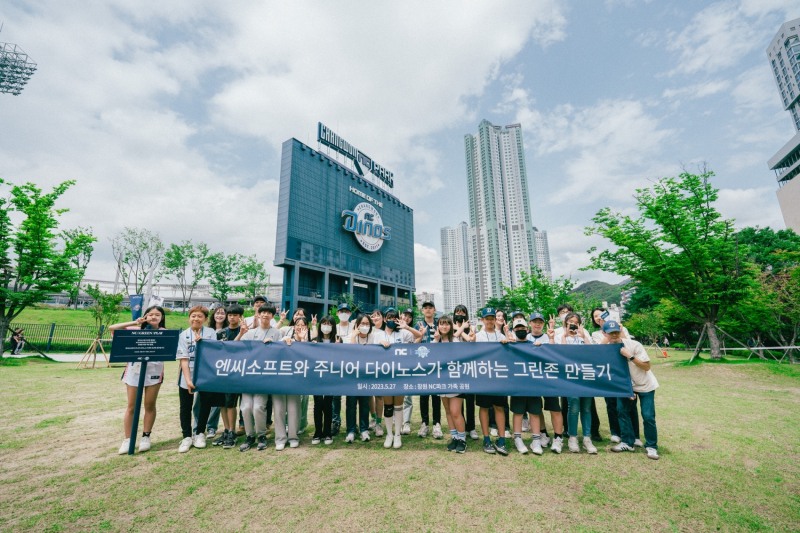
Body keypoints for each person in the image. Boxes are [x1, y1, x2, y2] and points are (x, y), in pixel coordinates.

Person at [109, 306, 167, 454]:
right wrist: (135, 323)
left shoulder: (164, 333)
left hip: (154, 372)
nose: (154, 317)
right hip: (134, 372)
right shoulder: (134, 330)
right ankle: (128, 439)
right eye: (151, 314)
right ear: (145, 315)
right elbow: (113, 328)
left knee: (149, 405)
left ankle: (146, 436)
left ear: (162, 318)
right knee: (131, 406)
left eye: (157, 315)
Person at [605, 320, 661, 460]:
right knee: (622, 412)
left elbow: (646, 367)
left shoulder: (634, 345)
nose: (614, 335)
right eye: (611, 333)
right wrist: (628, 389)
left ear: (620, 331)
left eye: (616, 332)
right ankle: (627, 442)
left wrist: (629, 356)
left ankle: (651, 447)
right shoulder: (606, 350)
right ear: (605, 334)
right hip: (625, 386)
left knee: (648, 416)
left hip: (645, 385)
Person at [237, 303, 282, 451]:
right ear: (258, 314)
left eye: (269, 313)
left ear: (272, 316)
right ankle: (250, 436)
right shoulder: (250, 333)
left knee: (258, 407)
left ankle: (261, 435)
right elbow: (236, 350)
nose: (265, 315)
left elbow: (282, 352)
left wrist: (273, 345)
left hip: (264, 377)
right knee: (245, 407)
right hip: (248, 377)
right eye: (263, 312)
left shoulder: (276, 333)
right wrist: (241, 333)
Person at [176, 306, 217, 453]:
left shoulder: (211, 333)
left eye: (200, 316)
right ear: (189, 318)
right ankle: (186, 436)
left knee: (205, 404)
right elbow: (184, 360)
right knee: (185, 406)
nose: (196, 319)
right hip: (187, 374)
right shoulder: (183, 335)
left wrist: (203, 344)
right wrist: (188, 380)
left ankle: (200, 433)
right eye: (193, 316)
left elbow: (214, 354)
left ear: (205, 319)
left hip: (206, 374)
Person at [345, 314, 389, 443]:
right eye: (362, 324)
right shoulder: (351, 337)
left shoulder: (373, 337)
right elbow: (350, 353)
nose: (364, 326)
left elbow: (380, 345)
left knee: (365, 403)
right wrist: (353, 336)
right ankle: (351, 430)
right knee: (351, 404)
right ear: (357, 325)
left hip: (366, 376)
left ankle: (364, 429)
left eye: (367, 324)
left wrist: (381, 343)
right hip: (352, 376)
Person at [526, 312, 564, 454]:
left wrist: (551, 339)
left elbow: (555, 354)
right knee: (536, 409)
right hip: (532, 379)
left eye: (540, 322)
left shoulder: (549, 337)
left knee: (554, 408)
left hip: (549, 378)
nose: (537, 324)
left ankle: (558, 437)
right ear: (530, 323)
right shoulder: (526, 337)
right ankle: (543, 434)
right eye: (534, 321)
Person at [475, 307, 510, 455]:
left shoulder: (500, 335)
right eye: (487, 318)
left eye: (491, 318)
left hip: (498, 377)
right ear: (482, 320)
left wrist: (508, 339)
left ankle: (501, 439)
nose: (489, 321)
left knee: (499, 407)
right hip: (483, 377)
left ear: (495, 320)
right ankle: (486, 438)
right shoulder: (477, 336)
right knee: (484, 408)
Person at [561, 312, 598, 455]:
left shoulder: (584, 334)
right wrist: (565, 336)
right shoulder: (561, 335)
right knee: (573, 406)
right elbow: (560, 354)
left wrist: (583, 336)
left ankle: (587, 438)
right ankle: (572, 437)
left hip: (586, 376)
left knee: (587, 408)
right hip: (571, 377)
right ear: (565, 323)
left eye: (576, 322)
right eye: (570, 322)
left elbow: (592, 353)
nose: (573, 325)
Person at [212, 304, 245, 449]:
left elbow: (235, 349)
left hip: (236, 373)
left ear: (240, 317)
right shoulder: (221, 333)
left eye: (235, 315)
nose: (232, 317)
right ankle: (226, 430)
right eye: (230, 315)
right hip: (221, 372)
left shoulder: (244, 331)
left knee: (231, 403)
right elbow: (221, 351)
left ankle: (232, 430)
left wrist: (241, 334)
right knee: (221, 403)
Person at [381, 308, 414, 449]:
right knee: (388, 405)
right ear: (384, 319)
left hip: (400, 374)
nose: (392, 320)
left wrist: (405, 326)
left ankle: (398, 435)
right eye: (389, 317)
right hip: (385, 375)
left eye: (394, 318)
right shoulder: (378, 334)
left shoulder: (403, 333)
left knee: (398, 405)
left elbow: (417, 338)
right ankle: (389, 434)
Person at [435, 316, 467, 453]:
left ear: (450, 326)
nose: (444, 327)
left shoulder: (456, 341)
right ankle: (454, 437)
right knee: (448, 411)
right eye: (441, 324)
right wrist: (435, 340)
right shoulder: (436, 342)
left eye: (447, 324)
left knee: (455, 412)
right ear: (438, 326)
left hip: (455, 381)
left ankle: (462, 439)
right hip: (441, 381)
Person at [276, 317, 309, 450]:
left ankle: (293, 437)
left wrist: (301, 340)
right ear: (293, 326)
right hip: (280, 378)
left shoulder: (307, 341)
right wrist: (284, 341)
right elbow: (274, 349)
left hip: (296, 380)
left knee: (294, 408)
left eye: (303, 325)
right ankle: (280, 438)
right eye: (297, 324)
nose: (300, 327)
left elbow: (308, 355)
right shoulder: (284, 337)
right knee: (279, 408)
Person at [414, 301, 443, 439]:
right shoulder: (418, 325)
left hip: (437, 365)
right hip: (423, 365)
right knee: (423, 395)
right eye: (425, 308)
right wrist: (420, 335)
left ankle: (437, 424)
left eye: (430, 307)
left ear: (434, 310)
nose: (428, 310)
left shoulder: (440, 324)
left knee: (436, 396)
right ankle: (424, 423)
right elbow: (414, 346)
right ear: (422, 311)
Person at [452, 305, 479, 440]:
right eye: (458, 312)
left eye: (463, 312)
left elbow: (471, 340)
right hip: (455, 368)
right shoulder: (450, 326)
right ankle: (460, 426)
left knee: (469, 399)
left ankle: (471, 428)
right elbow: (454, 336)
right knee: (458, 399)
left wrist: (461, 328)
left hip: (469, 367)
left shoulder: (472, 327)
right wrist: (458, 328)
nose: (460, 314)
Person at [311, 316, 339, 445]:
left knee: (328, 405)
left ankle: (327, 432)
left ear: (333, 326)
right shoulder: (314, 340)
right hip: (316, 377)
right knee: (317, 404)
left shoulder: (337, 340)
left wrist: (339, 347)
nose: (326, 326)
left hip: (331, 378)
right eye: (324, 323)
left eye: (329, 324)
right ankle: (317, 432)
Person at [400, 307, 424, 434]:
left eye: (410, 316)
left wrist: (420, 333)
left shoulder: (410, 331)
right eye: (405, 315)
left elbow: (415, 342)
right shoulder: (394, 328)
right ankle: (395, 420)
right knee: (393, 395)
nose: (407, 318)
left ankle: (406, 422)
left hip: (407, 366)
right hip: (393, 367)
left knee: (407, 396)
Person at [332, 303, 354, 435]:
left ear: (350, 314)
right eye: (341, 311)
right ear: (337, 313)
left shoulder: (355, 326)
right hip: (337, 365)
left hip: (352, 365)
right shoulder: (333, 327)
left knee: (351, 396)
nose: (344, 313)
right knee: (336, 396)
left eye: (346, 311)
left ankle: (351, 425)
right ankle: (336, 421)